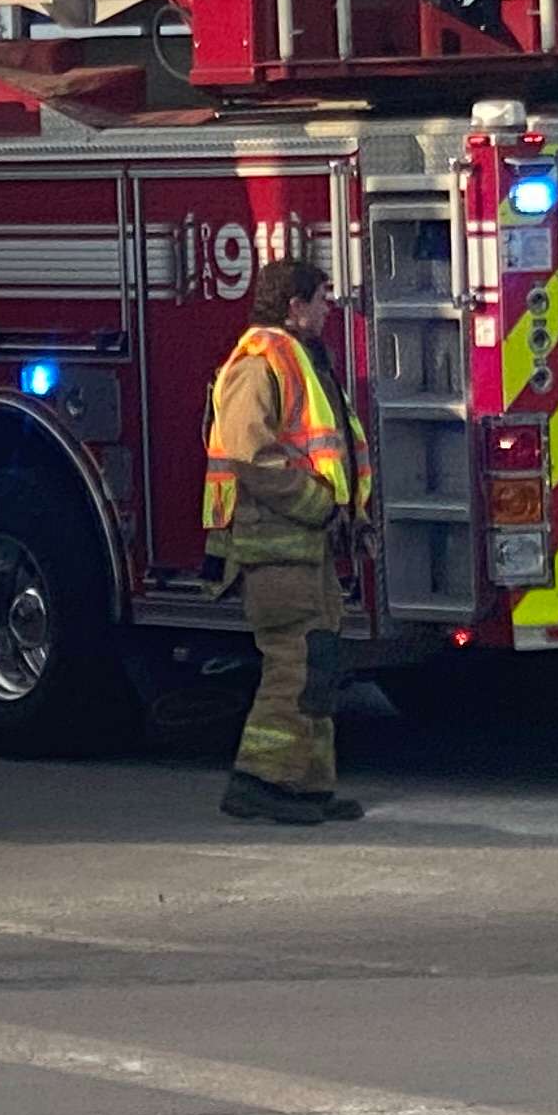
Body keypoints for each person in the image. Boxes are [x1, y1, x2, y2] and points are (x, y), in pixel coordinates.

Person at [204, 256, 372, 825]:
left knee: (319, 663)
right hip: (275, 546)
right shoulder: (258, 362)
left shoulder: (300, 358)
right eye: (322, 299)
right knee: (292, 664)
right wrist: (318, 504)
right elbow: (250, 454)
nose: (329, 309)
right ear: (294, 305)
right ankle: (256, 782)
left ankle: (307, 787)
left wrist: (348, 517)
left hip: (309, 547)